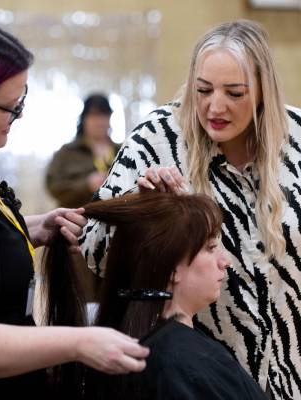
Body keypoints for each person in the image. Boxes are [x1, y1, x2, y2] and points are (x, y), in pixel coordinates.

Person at [0, 14, 149, 399]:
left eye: (22, 101)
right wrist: (77, 344)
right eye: (11, 108)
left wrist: (32, 228)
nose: (18, 117)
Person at [79, 19, 301, 400]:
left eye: (235, 93)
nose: (216, 106)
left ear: (264, 90)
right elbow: (94, 250)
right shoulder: (158, 138)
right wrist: (142, 202)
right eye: (203, 90)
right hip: (200, 376)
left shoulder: (296, 138)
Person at [43, 190, 267, 399]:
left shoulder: (164, 353)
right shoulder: (176, 366)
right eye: (210, 248)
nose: (225, 262)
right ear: (170, 269)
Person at [46, 93, 120, 208]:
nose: (100, 121)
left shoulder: (121, 150)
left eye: (104, 115)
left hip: (116, 220)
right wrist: (86, 185)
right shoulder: (67, 152)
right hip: (75, 220)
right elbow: (53, 187)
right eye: (94, 115)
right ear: (84, 119)